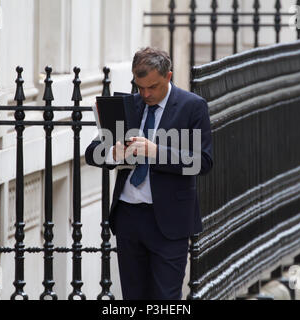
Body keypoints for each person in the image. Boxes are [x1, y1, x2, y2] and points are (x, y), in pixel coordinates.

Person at [85, 47, 213, 300]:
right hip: (128, 217)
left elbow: (203, 161)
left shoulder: (192, 106)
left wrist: (157, 152)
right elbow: (91, 153)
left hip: (169, 222)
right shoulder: (129, 105)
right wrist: (114, 153)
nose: (146, 94)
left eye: (152, 87)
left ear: (168, 76)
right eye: (140, 86)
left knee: (165, 298)